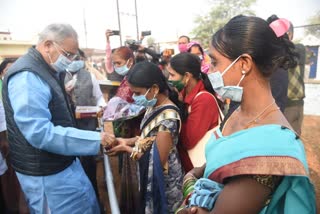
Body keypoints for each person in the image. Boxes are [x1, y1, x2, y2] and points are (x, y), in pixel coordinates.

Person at [177, 15, 316, 214]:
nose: (209, 71)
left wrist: (190, 183)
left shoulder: (269, 147)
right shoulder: (239, 111)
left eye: (215, 62)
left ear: (244, 64)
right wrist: (197, 173)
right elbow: (227, 158)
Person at [1, 23, 114, 213]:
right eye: (67, 54)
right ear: (47, 45)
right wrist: (96, 139)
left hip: (60, 163)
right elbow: (39, 132)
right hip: (46, 172)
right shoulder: (28, 76)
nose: (70, 60)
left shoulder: (47, 70)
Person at [106, 61, 184, 214]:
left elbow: (156, 162)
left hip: (165, 184)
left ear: (154, 89)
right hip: (151, 176)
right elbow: (148, 137)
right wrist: (127, 141)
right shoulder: (152, 105)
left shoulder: (168, 119)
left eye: (138, 93)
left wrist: (126, 148)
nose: (134, 97)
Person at [64, 48, 107, 211]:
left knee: (89, 167)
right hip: (68, 130)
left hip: (88, 127)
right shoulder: (59, 76)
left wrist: (101, 107)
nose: (76, 60)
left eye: (79, 57)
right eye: (72, 57)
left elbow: (98, 97)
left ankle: (94, 201)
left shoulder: (89, 76)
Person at [167, 53, 221, 173]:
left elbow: (188, 141)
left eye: (172, 75)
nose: (169, 79)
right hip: (189, 167)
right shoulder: (184, 94)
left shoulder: (203, 100)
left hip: (200, 171)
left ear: (187, 76)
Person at [284, 21, 306, 136]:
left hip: (292, 105)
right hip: (283, 105)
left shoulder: (299, 49)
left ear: (289, 34)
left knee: (290, 139)